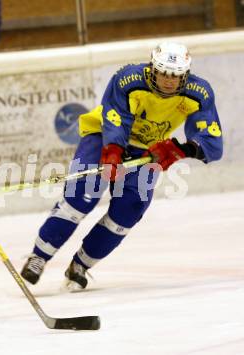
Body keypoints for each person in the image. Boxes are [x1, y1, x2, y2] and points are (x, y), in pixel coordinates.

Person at [20, 42, 223, 291]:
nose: (169, 81)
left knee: (128, 211)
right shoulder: (129, 78)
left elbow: (211, 140)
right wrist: (113, 151)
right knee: (82, 195)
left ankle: (81, 265)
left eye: (176, 76)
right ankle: (39, 256)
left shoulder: (199, 93)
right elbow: (116, 118)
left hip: (146, 151)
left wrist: (180, 150)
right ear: (152, 68)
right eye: (164, 73)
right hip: (104, 137)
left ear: (186, 74)